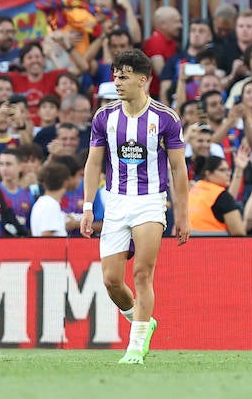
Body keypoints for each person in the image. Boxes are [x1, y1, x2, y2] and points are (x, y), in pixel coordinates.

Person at [81, 49, 188, 365]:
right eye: (115, 75)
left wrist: (182, 214)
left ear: (143, 80)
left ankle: (135, 348)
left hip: (150, 202)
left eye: (124, 76)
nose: (117, 82)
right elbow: (93, 163)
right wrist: (88, 207)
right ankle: (143, 320)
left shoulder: (165, 118)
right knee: (112, 281)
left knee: (142, 273)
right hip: (114, 202)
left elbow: (179, 169)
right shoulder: (104, 117)